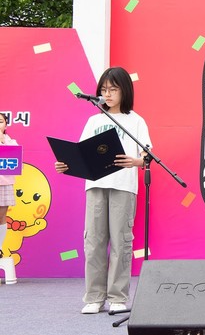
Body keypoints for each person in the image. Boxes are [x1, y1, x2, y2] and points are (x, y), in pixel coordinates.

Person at [55, 67, 151, 313]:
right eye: (104, 90)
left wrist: (136, 161)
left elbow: (147, 155)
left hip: (123, 187)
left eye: (113, 89)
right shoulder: (94, 121)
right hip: (96, 185)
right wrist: (66, 165)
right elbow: (80, 154)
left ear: (125, 90)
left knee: (121, 242)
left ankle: (117, 297)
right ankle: (94, 297)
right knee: (94, 241)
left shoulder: (136, 121)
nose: (107, 94)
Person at [0, 112, 19, 258]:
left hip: (4, 184)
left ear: (6, 125)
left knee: (1, 217)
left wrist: (2, 141)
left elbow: (15, 160)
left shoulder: (11, 142)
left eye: (0, 121)